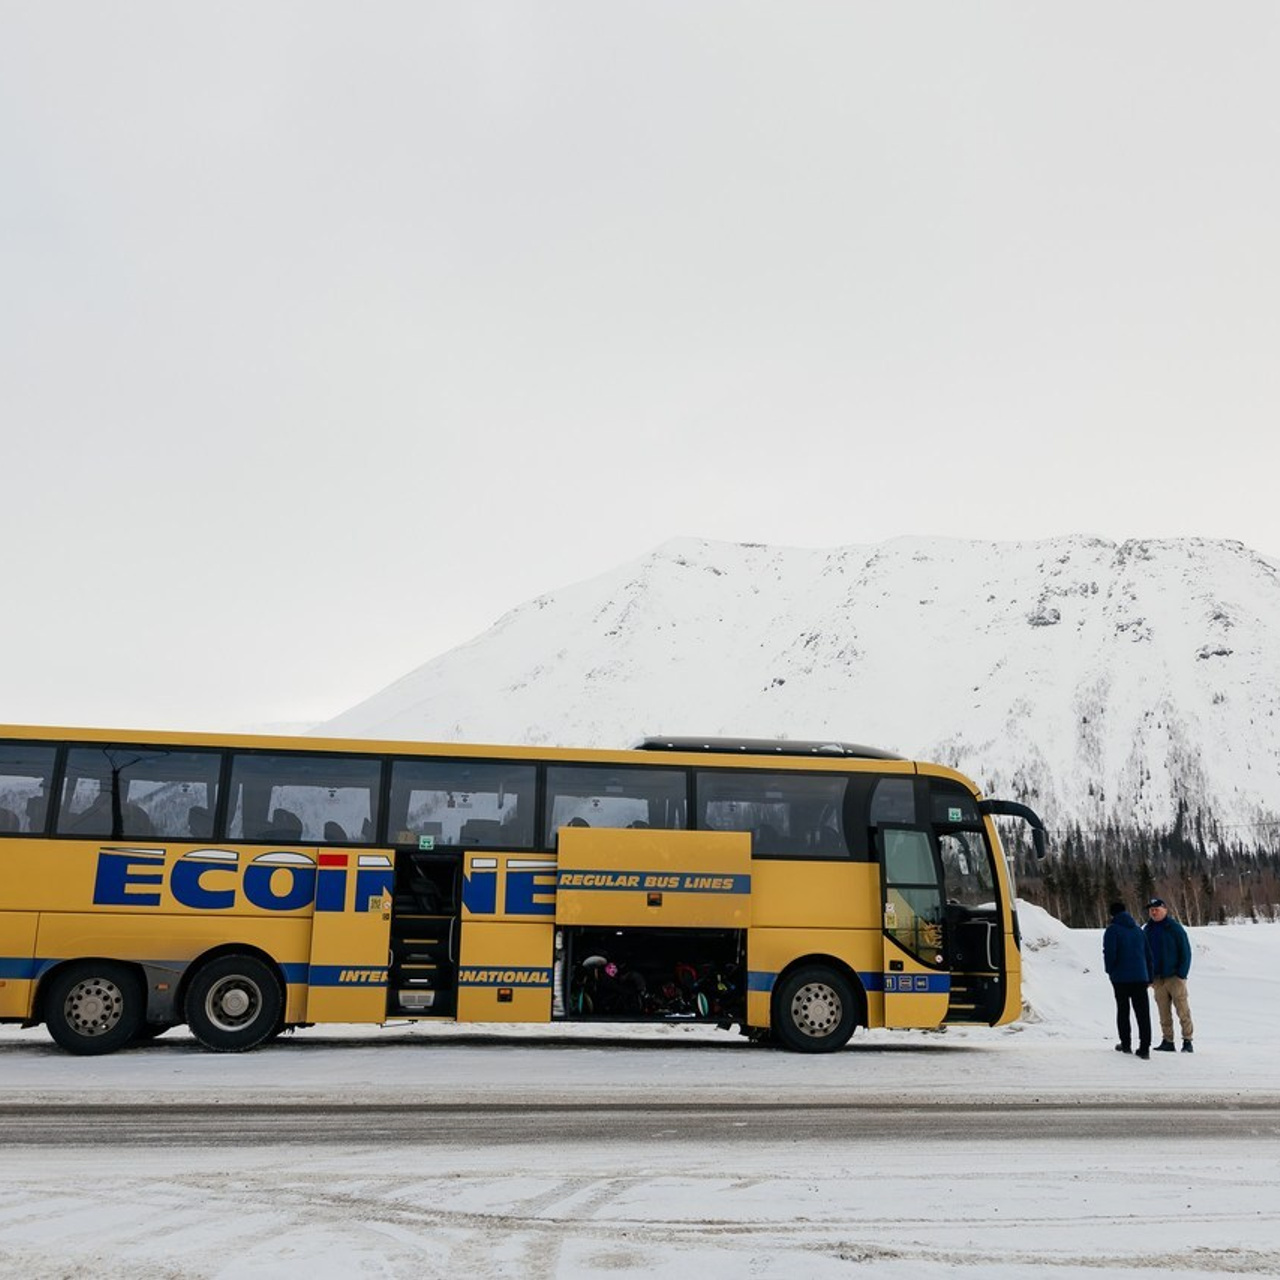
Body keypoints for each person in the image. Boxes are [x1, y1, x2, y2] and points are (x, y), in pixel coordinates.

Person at [1103, 901, 1153, 1059]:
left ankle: (1126, 1044)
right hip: (1140, 977)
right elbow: (1148, 954)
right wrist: (1149, 976)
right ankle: (1144, 1048)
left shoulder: (1112, 930)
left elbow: (1110, 953)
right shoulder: (1138, 930)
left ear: (1112, 914)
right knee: (1143, 1013)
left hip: (1120, 978)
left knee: (1123, 1011)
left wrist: (1110, 971)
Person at [1144, 897, 1194, 1053]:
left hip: (1174, 977)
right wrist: (1148, 976)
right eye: (1151, 910)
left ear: (1164, 910)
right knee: (1163, 1012)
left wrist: (1181, 974)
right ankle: (1168, 1041)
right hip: (1157, 978)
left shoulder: (1174, 928)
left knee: (1182, 1010)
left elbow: (1185, 952)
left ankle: (1187, 1041)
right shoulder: (1147, 930)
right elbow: (1145, 954)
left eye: (1157, 909)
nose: (1154, 912)